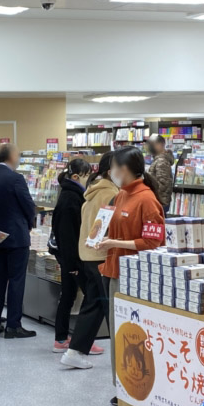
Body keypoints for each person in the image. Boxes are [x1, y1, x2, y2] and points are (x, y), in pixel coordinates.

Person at [94, 146, 166, 393]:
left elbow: (153, 241)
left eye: (113, 167)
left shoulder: (146, 199)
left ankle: (133, 386)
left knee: (132, 333)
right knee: (118, 332)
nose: (110, 171)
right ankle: (121, 386)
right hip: (113, 270)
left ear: (123, 169)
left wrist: (115, 243)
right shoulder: (121, 194)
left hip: (133, 276)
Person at [60, 152, 117, 371]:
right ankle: (118, 357)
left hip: (88, 255)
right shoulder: (110, 194)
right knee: (105, 305)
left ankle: (75, 351)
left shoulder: (93, 192)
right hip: (102, 257)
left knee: (94, 303)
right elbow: (103, 226)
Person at [51, 157, 103, 361]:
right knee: (89, 296)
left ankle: (62, 338)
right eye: (86, 176)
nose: (89, 180)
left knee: (69, 294)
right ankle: (80, 342)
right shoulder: (71, 198)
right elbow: (68, 235)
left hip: (69, 256)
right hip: (72, 258)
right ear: (76, 176)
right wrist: (72, 264)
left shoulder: (69, 194)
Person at [0, 143, 37, 338]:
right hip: (16, 237)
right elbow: (28, 206)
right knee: (16, 281)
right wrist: (29, 223)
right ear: (11, 157)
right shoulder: (16, 178)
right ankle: (13, 325)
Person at [148, 135, 174, 211]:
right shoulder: (158, 159)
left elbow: (163, 184)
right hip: (157, 201)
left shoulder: (161, 161)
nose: (150, 147)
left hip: (159, 202)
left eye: (153, 144)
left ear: (161, 144)